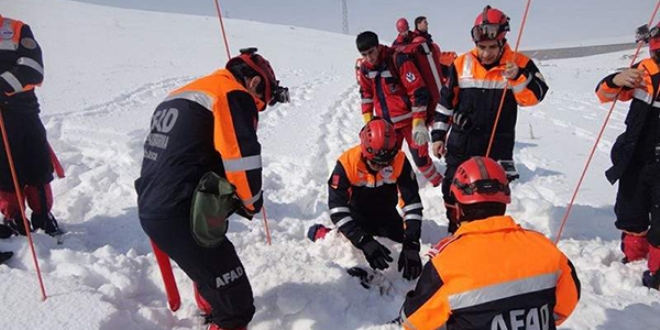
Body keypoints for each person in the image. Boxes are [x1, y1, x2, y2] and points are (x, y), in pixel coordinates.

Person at [135, 48, 289, 330]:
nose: (256, 110)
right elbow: (241, 156)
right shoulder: (231, 94)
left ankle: (209, 303)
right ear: (255, 83)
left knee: (210, 267)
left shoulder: (184, 94)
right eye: (259, 104)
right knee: (237, 305)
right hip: (180, 215)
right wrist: (251, 202)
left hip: (151, 204)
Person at [399, 156, 581, 329]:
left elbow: (413, 321)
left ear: (458, 208)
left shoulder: (446, 263)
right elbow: (565, 304)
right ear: (504, 200)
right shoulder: (545, 248)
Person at [431, 6, 548, 232]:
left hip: (496, 148)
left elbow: (535, 96)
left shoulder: (519, 63)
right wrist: (437, 136)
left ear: (502, 41)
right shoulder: (460, 63)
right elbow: (446, 103)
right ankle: (456, 230)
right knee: (452, 190)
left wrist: (518, 78)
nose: (486, 53)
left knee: (491, 199)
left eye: (492, 47)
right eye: (481, 47)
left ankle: (487, 240)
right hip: (461, 144)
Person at [308, 118, 423, 280]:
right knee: (345, 247)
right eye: (376, 163)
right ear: (365, 152)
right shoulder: (347, 164)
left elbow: (412, 204)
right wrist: (363, 240)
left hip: (387, 216)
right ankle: (323, 233)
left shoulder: (400, 161)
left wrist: (412, 243)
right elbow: (337, 210)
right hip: (357, 219)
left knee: (400, 245)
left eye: (386, 162)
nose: (382, 167)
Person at [595, 21, 660, 290]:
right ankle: (634, 258)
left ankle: (657, 271)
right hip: (635, 158)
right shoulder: (643, 71)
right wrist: (616, 79)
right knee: (630, 211)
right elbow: (603, 94)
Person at [356, 31, 443, 187]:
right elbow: (366, 95)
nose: (369, 57)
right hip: (387, 126)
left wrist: (419, 123)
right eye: (364, 54)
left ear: (378, 46)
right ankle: (391, 193)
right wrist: (369, 123)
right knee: (384, 162)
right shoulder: (365, 69)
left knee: (421, 160)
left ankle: (438, 184)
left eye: (371, 52)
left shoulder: (398, 60)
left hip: (410, 122)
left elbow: (417, 91)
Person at [0, 14, 60, 237]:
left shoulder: (16, 29)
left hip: (24, 111)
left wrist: (2, 84)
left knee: (38, 164)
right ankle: (13, 218)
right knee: (5, 170)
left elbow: (33, 69)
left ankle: (43, 215)